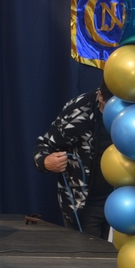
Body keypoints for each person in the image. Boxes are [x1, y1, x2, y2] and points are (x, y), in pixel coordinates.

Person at [33, 80, 114, 239]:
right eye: (110, 108)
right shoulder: (79, 111)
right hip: (86, 205)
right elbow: (44, 145)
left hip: (128, 200)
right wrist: (46, 161)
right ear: (100, 96)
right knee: (90, 251)